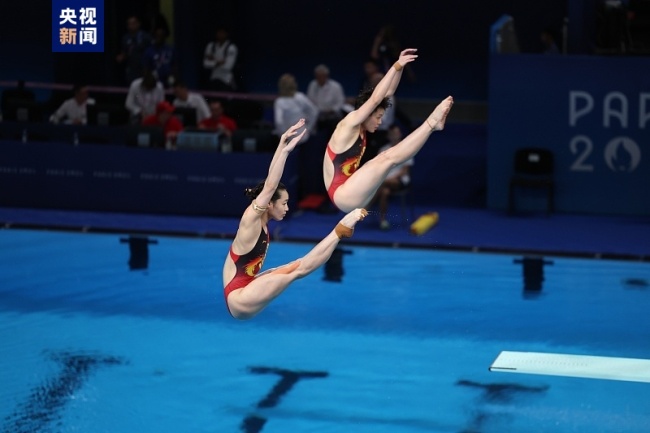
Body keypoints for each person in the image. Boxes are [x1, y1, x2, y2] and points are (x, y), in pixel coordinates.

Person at [223, 119, 367, 320]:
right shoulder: (251, 218)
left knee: (296, 266)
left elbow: (270, 185)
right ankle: (338, 232)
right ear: (270, 204)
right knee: (298, 271)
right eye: (284, 203)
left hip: (245, 290)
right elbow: (270, 186)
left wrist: (281, 147)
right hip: (239, 297)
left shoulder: (261, 221)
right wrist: (284, 150)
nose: (288, 208)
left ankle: (339, 232)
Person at [323, 48, 453, 213]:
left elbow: (388, 93)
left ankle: (432, 126)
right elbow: (376, 98)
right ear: (367, 112)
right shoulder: (350, 122)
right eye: (377, 117)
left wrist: (401, 67)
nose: (380, 121)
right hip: (342, 194)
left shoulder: (361, 129)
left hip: (351, 189)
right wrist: (396, 65)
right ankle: (431, 124)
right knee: (385, 158)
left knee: (389, 160)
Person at [369, 124, 413, 230]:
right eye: (392, 133)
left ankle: (363, 209)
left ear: (400, 134)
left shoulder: (406, 149)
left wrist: (389, 178)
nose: (395, 135)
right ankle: (383, 221)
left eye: (397, 133)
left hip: (400, 180)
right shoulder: (383, 150)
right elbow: (378, 169)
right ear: (388, 136)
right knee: (385, 192)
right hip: (385, 181)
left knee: (380, 184)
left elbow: (404, 171)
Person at [274, 73, 318, 144]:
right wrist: (309, 128)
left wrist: (283, 136)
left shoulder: (280, 101)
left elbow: (279, 122)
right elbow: (314, 112)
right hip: (300, 136)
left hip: (293, 137)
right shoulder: (299, 97)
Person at [306, 64, 346, 132]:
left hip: (332, 114)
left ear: (326, 76)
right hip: (317, 114)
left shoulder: (335, 86)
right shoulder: (312, 85)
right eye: (318, 76)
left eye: (322, 76)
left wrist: (332, 110)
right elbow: (309, 101)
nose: (320, 78)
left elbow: (340, 102)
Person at [115, 15, 152, 86]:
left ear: (138, 24)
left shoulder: (146, 37)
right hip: (131, 70)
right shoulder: (125, 38)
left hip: (144, 69)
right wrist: (121, 57)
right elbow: (124, 53)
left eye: (133, 23)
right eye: (129, 24)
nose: (131, 26)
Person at [203, 27, 238, 92]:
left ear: (226, 34)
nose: (220, 35)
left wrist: (213, 60)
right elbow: (205, 64)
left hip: (226, 79)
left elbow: (228, 67)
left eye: (222, 33)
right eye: (219, 32)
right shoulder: (211, 46)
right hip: (214, 78)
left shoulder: (231, 47)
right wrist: (218, 62)